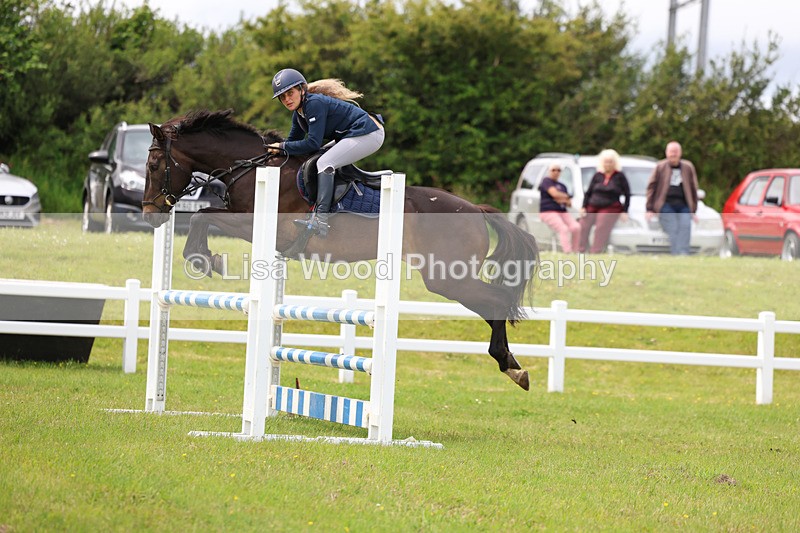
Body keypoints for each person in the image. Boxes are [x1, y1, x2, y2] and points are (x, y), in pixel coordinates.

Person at [267, 68, 385, 238]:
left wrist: (282, 146)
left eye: (290, 93)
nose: (286, 99)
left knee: (324, 162)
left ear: (301, 89)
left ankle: (321, 220)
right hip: (353, 135)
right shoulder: (298, 114)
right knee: (320, 159)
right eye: (282, 97)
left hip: (370, 133)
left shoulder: (314, 104)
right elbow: (292, 143)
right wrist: (276, 150)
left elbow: (313, 143)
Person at [646, 141, 699, 255]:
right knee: (673, 226)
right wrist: (649, 208)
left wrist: (693, 210)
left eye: (675, 152)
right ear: (666, 153)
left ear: (680, 153)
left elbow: (694, 189)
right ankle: (676, 253)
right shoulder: (660, 167)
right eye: (671, 152)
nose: (673, 154)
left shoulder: (688, 167)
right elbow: (651, 188)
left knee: (685, 226)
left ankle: (683, 254)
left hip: (683, 205)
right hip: (665, 204)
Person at [579, 149, 630, 254]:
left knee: (601, 226)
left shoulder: (620, 176)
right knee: (583, 225)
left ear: (614, 163)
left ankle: (595, 251)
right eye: (606, 161)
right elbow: (588, 192)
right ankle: (581, 250)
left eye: (610, 161)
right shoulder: (597, 175)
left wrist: (625, 210)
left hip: (610, 206)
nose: (608, 164)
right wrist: (583, 207)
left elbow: (627, 194)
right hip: (593, 205)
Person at [539, 163, 580, 252]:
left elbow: (569, 203)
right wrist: (564, 197)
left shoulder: (563, 186)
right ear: (549, 171)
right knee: (563, 228)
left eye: (558, 170)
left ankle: (576, 251)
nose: (556, 172)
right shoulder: (546, 181)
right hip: (548, 211)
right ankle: (567, 252)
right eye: (553, 170)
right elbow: (554, 194)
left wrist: (562, 198)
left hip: (562, 211)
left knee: (576, 227)